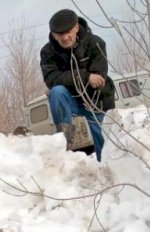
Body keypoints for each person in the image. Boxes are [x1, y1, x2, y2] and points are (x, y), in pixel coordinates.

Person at [40, 9, 115, 161]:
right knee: (57, 92)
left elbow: (98, 79)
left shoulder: (95, 43)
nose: (65, 37)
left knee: (103, 141)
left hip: (96, 99)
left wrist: (66, 78)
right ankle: (65, 142)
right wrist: (86, 76)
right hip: (70, 100)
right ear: (54, 35)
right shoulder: (48, 52)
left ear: (76, 27)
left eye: (68, 32)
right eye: (60, 34)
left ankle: (105, 166)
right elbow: (52, 80)